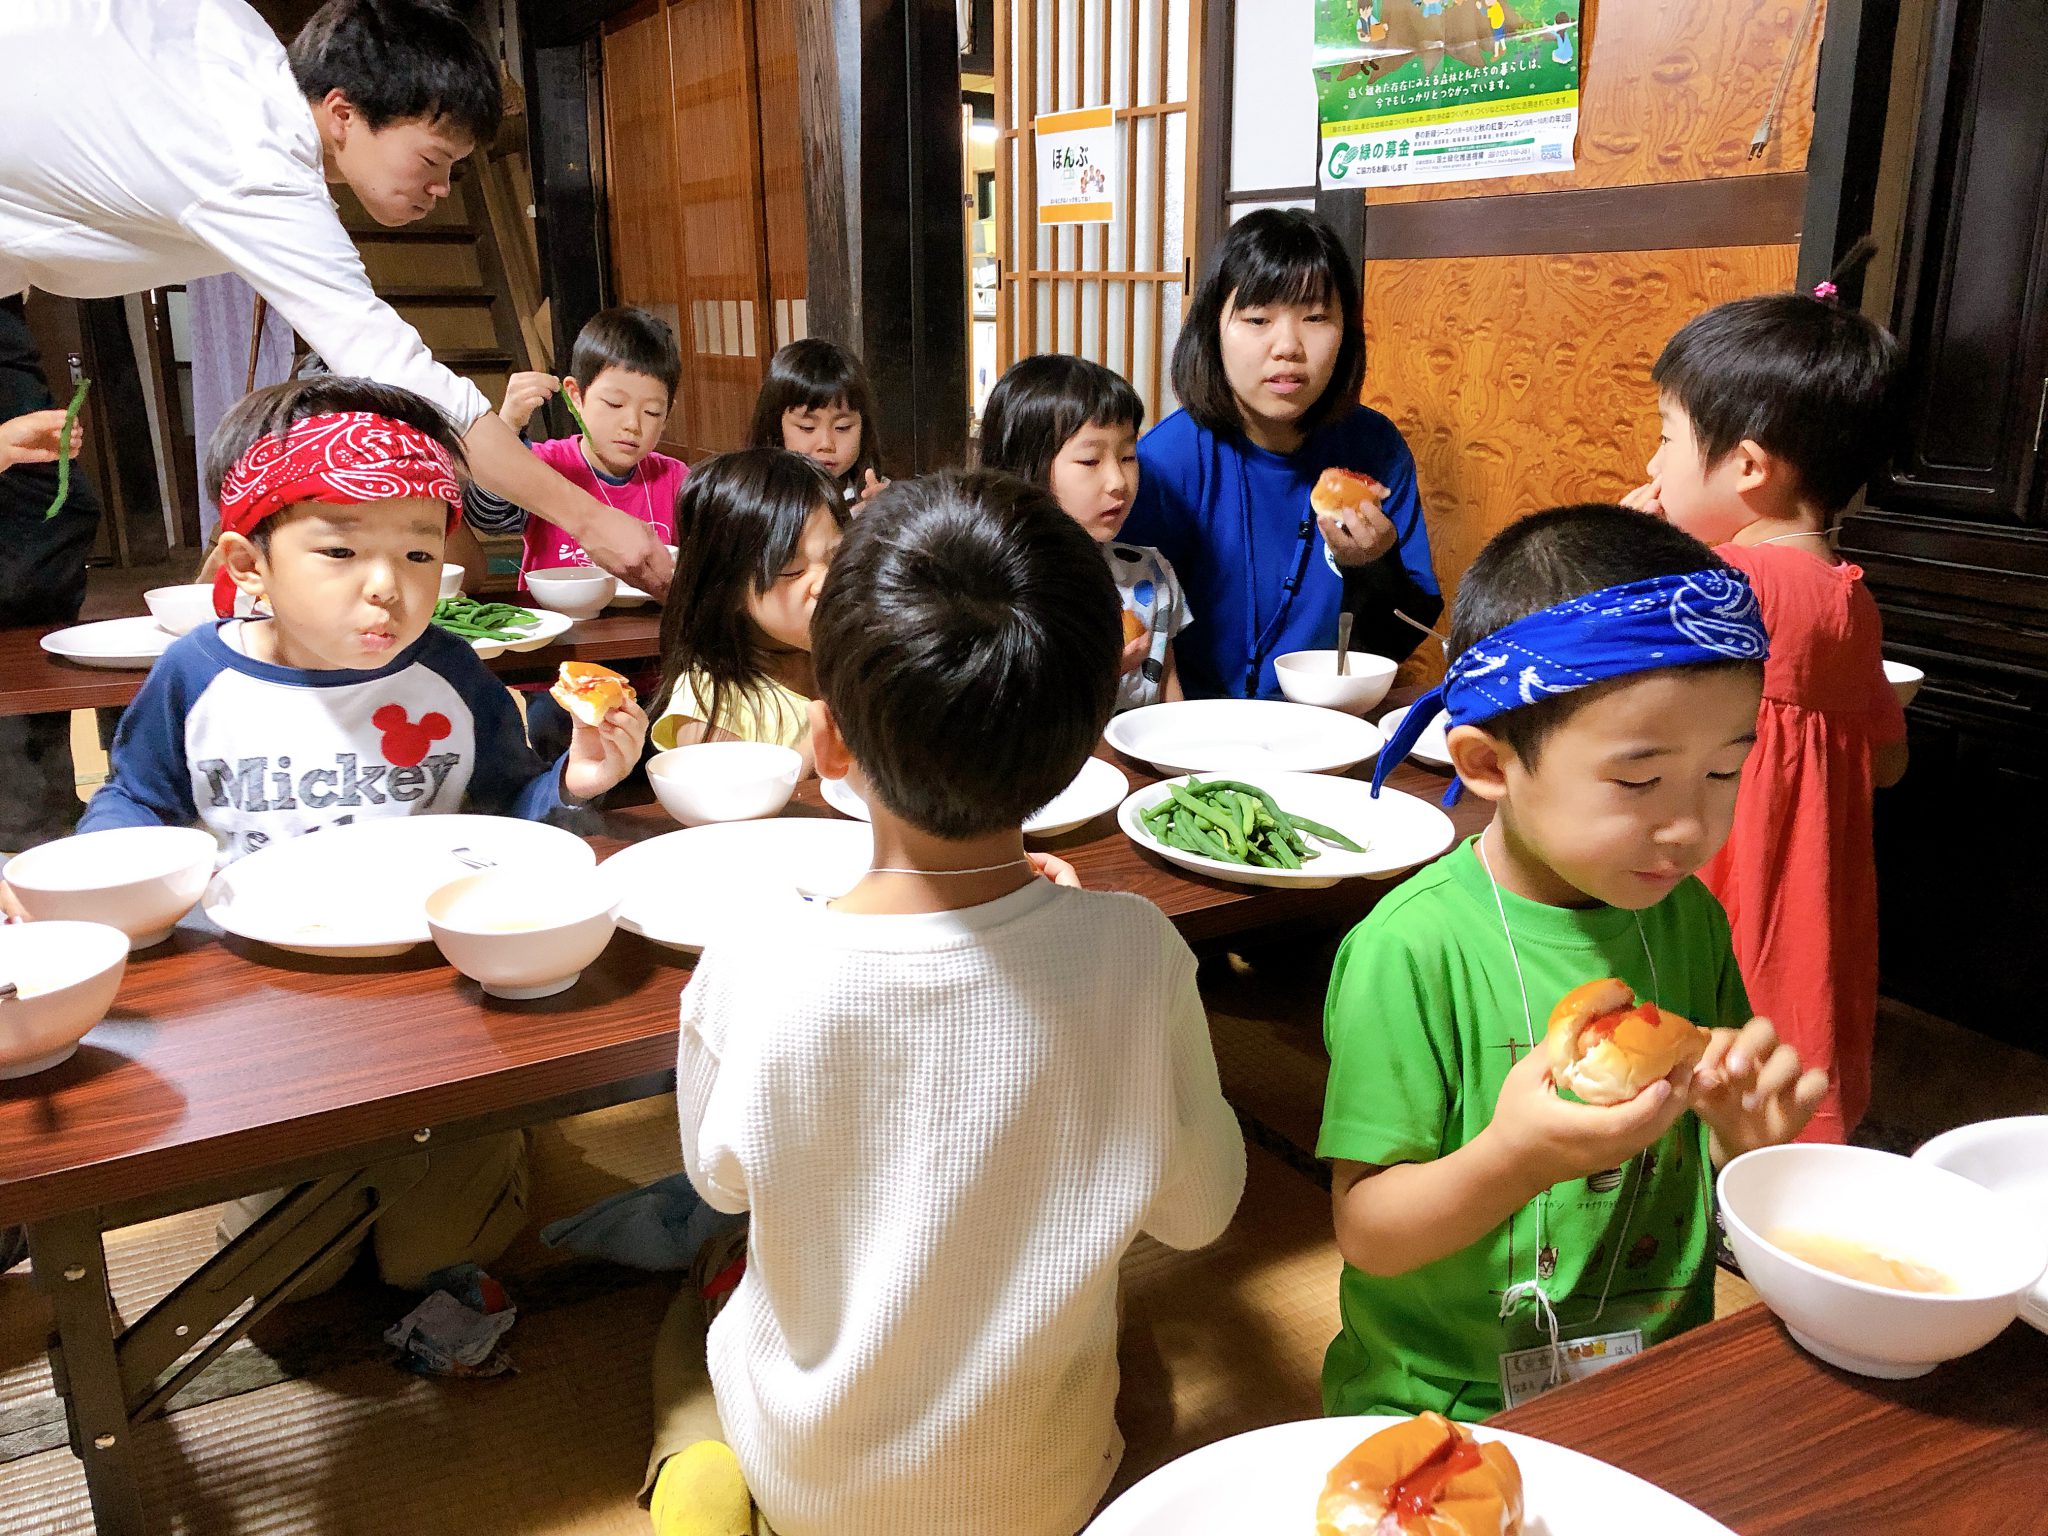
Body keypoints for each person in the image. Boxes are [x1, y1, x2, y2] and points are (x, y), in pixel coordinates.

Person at [657, 472, 1244, 1536]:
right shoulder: (1135, 951)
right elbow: (1199, 1212)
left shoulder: (752, 958)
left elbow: (719, 1181)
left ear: (828, 743)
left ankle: (694, 1470)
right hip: (1046, 1492)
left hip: (812, 1491)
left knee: (699, 1297)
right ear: (1081, 747)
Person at [55, 376, 645, 1294]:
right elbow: (135, 800)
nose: (387, 587)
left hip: (441, 1000)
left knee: (429, 1256)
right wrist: (90, 876)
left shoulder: (450, 670)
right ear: (249, 564)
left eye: (418, 552)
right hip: (265, 1007)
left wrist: (573, 784)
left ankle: (488, 1139)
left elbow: (509, 816)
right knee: (293, 1280)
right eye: (339, 550)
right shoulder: (196, 676)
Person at [1322, 504, 1828, 1421]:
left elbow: (1711, 1148)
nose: (1691, 826)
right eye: (1638, 780)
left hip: (1656, 1375)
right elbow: (1369, 1233)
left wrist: (1746, 1139)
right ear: (1488, 764)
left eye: (1724, 772)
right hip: (1447, 1400)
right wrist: (1515, 1158)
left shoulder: (1689, 919)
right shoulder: (1412, 949)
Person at [0, 0, 672, 599]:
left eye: (454, 169)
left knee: (46, 517)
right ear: (343, 113)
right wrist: (591, 520)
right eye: (432, 160)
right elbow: (405, 376)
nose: (442, 189)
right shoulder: (255, 161)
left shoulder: (242, 62)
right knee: (34, 534)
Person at [1621, 288, 1908, 1144]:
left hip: (1714, 877)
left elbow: (1604, 693)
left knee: (1686, 1048)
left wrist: (1631, 553)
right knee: (1781, 1050)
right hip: (1811, 896)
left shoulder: (1719, 586)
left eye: (1667, 438)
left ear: (1748, 467)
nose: (1653, 464)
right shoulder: (1849, 600)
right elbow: (1888, 761)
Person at [1121, 209, 1440, 699]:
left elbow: (1395, 642)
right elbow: (1132, 643)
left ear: (1347, 332)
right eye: (1258, 319)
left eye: (1316, 317)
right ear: (1213, 330)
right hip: (1194, 729)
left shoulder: (1375, 447)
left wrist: (1375, 565)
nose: (1288, 346)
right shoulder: (1166, 463)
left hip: (1332, 720)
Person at [464, 306, 690, 757]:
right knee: (554, 744)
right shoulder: (545, 466)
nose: (632, 424)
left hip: (649, 668)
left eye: (652, 411)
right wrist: (507, 427)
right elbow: (487, 516)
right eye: (614, 404)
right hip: (556, 672)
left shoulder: (675, 478)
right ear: (576, 395)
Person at [980, 353, 1188, 709]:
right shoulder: (995, 591)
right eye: (1090, 460)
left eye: (1128, 456)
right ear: (1024, 466)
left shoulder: (1150, 574)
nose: (1118, 481)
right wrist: (1098, 678)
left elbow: (1169, 694)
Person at [648, 449, 847, 771]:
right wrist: (842, 714)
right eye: (792, 570)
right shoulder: (708, 700)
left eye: (837, 557)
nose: (824, 582)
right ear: (730, 588)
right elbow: (732, 796)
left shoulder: (846, 659)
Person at [747, 339, 888, 507]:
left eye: (842, 427)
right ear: (775, 427)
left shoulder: (874, 492)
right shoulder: (754, 500)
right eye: (807, 427)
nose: (826, 444)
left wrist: (883, 514)